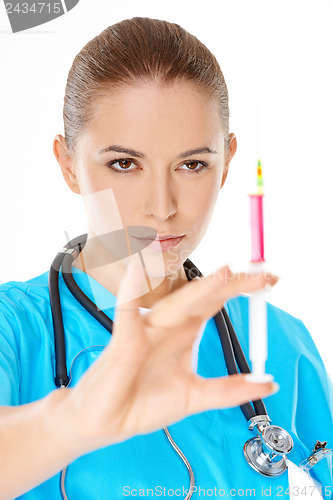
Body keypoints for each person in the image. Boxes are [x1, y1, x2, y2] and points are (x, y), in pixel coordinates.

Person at [0, 16, 332, 500]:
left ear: (226, 164)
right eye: (124, 164)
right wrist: (76, 421)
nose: (162, 205)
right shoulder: (13, 329)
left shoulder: (280, 341)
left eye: (192, 164)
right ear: (68, 164)